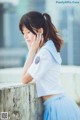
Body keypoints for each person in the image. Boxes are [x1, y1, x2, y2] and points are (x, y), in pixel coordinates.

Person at [19, 11, 80, 120]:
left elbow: (24, 78)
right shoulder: (48, 48)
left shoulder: (44, 53)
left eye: (28, 32)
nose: (25, 36)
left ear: (40, 31)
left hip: (56, 107)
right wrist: (33, 49)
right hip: (60, 103)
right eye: (23, 33)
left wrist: (32, 49)